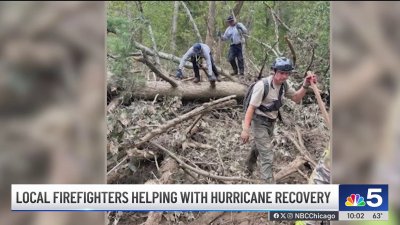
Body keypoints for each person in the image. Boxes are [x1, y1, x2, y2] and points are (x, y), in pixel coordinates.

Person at [240, 57, 316, 184]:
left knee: (259, 146)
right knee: (267, 155)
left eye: (287, 73)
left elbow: (296, 98)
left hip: (271, 121)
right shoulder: (262, 86)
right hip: (259, 121)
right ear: (274, 71)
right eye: (281, 73)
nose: (284, 76)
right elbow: (251, 108)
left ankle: (248, 166)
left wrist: (305, 85)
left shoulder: (283, 85)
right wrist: (245, 129)